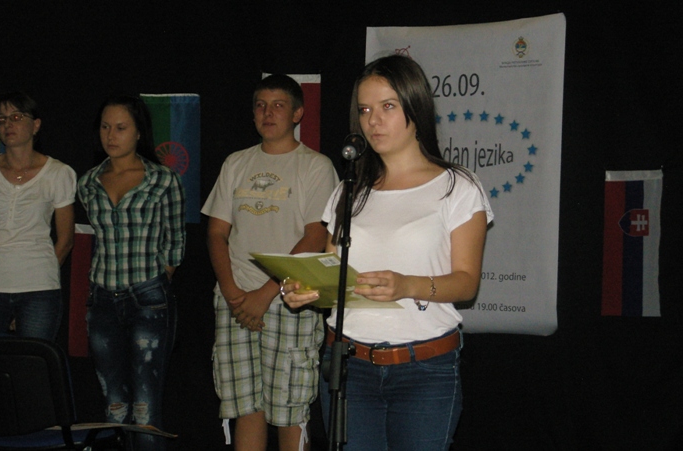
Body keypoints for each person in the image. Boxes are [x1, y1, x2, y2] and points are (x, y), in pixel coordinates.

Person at [281, 54, 493, 451]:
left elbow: (466, 283)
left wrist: (407, 285)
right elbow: (334, 273)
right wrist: (304, 289)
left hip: (424, 369)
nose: (373, 121)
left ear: (416, 107)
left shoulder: (457, 187)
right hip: (349, 366)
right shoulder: (349, 189)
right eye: (364, 110)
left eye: (387, 107)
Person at [202, 74, 339, 451]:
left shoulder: (315, 166)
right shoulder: (236, 162)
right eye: (261, 106)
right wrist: (232, 292)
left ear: (297, 113)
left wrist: (266, 293)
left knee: (289, 410)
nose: (268, 113)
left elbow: (315, 236)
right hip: (235, 300)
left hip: (289, 299)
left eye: (278, 105)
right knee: (245, 407)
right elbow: (216, 233)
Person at [78, 95, 186, 451]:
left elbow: (175, 242)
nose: (111, 135)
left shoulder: (163, 179)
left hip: (148, 299)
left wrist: (157, 280)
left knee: (145, 407)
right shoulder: (88, 182)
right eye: (105, 127)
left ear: (139, 132)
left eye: (121, 127)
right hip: (102, 300)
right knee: (113, 405)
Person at [0, 91, 76, 341]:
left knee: (32, 361)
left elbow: (66, 240)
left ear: (36, 125)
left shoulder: (59, 173)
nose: (8, 124)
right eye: (2, 119)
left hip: (39, 289)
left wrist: (39, 273)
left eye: (16, 117)